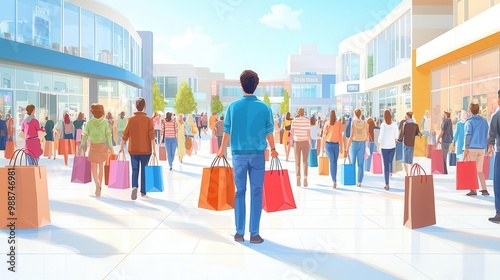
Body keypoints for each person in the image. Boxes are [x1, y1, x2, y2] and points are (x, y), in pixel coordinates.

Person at [217, 70, 278, 244]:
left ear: (241, 85)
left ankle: (239, 232)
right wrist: (273, 148)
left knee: (240, 192)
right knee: (257, 192)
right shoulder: (264, 107)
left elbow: (226, 130)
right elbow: (269, 131)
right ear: (256, 85)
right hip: (258, 155)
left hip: (238, 155)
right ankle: (255, 234)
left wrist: (222, 150)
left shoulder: (233, 107)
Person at [120, 97, 155, 200]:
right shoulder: (149, 120)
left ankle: (134, 186)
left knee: (135, 169)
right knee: (144, 170)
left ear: (136, 106)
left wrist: (121, 147)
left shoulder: (130, 119)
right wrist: (154, 150)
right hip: (146, 150)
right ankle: (143, 192)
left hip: (133, 150)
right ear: (144, 106)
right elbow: (151, 136)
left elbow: (125, 135)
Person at [80, 104, 114, 198]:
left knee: (93, 168)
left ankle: (97, 184)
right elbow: (108, 135)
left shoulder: (89, 123)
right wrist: (111, 147)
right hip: (103, 147)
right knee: (101, 166)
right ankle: (100, 186)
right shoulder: (104, 123)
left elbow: (85, 135)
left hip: (93, 147)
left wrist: (81, 146)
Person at [463, 103, 489, 196]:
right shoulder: (484, 121)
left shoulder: (469, 121)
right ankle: (484, 189)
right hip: (482, 148)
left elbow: (468, 135)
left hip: (472, 148)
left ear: (470, 110)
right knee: (479, 170)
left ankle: (473, 189)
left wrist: (466, 148)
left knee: (471, 169)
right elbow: (487, 134)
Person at [345, 108, 369, 187]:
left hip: (354, 144)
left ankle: (352, 180)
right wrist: (367, 146)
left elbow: (351, 136)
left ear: (355, 114)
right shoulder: (365, 123)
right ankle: (359, 182)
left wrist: (347, 148)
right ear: (360, 114)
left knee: (353, 163)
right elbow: (367, 135)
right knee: (361, 164)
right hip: (362, 143)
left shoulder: (353, 123)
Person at [377, 110, 399, 190]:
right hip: (392, 147)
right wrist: (394, 139)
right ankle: (390, 172)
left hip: (384, 147)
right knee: (390, 162)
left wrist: (378, 146)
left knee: (385, 165)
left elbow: (381, 136)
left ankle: (387, 183)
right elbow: (397, 135)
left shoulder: (383, 125)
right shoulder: (395, 124)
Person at [321, 109, 343, 188]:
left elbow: (340, 136)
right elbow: (324, 136)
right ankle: (334, 180)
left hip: (334, 145)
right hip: (329, 145)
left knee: (334, 162)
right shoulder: (327, 124)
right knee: (332, 162)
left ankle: (334, 179)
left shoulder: (338, 124)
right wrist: (323, 148)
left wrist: (341, 147)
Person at [488, 90, 500, 223]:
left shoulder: (497, 115)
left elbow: (492, 133)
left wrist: (490, 146)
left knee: (498, 183)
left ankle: (499, 213)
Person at [291, 108, 311, 187]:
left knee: (297, 161)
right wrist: (311, 143)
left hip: (297, 142)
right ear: (304, 113)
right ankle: (305, 177)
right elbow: (308, 134)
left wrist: (290, 143)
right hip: (305, 141)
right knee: (305, 161)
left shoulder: (294, 121)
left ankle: (298, 177)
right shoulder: (307, 121)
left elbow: (292, 133)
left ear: (298, 113)